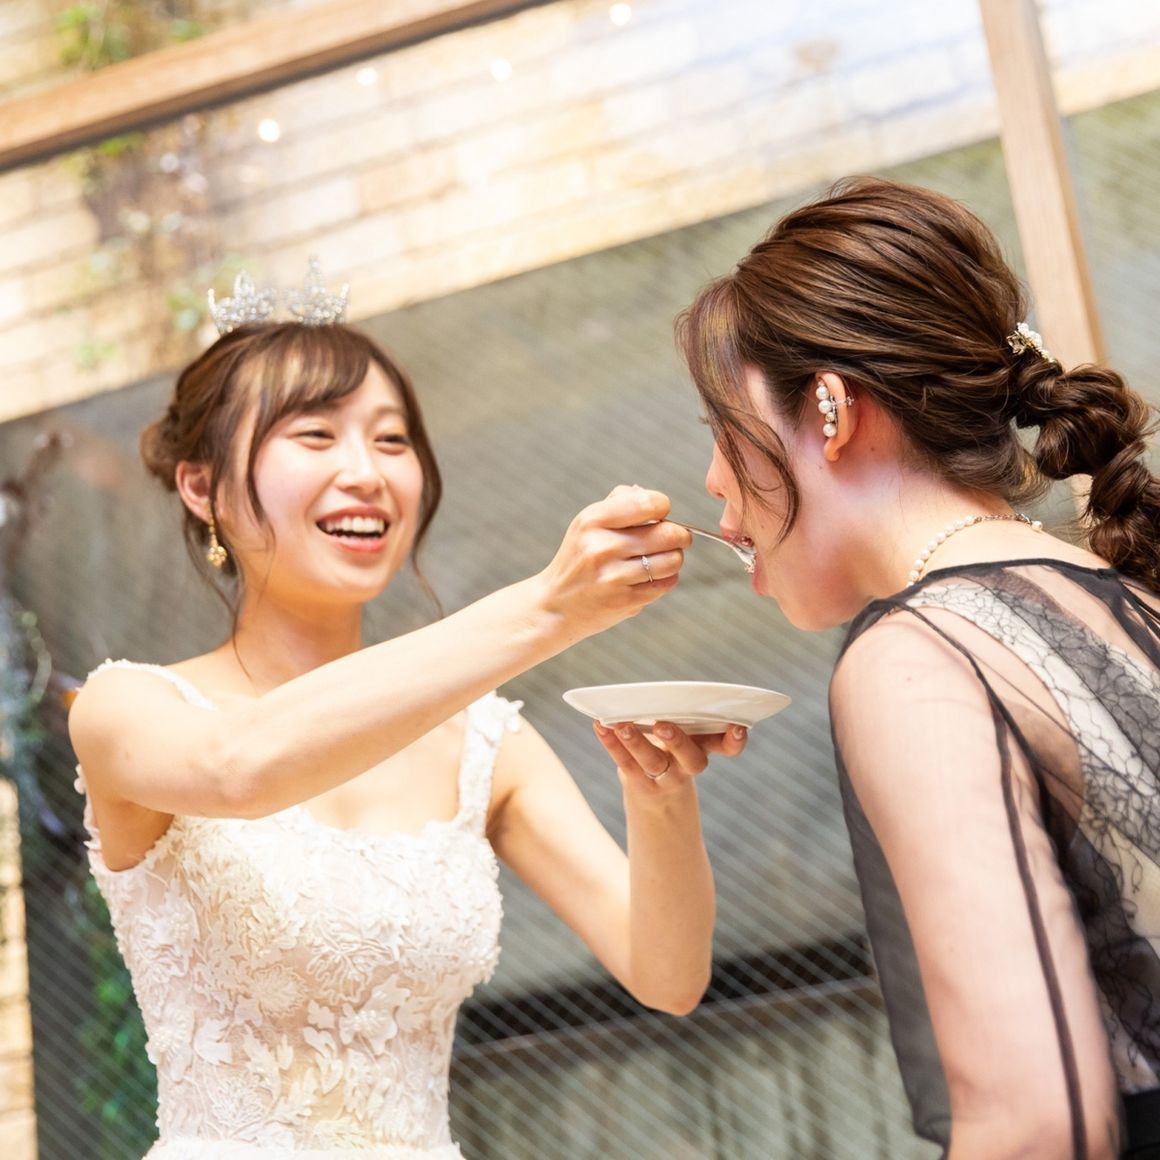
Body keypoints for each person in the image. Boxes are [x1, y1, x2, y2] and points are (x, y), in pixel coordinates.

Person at [68, 275, 747, 1157]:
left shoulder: (486, 743)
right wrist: (549, 608)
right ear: (202, 487)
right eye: (315, 435)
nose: (368, 473)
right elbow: (241, 769)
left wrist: (659, 796)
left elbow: (668, 974)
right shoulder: (130, 708)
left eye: (392, 440)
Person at [663, 175, 1160, 1159]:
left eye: (720, 431)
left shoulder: (920, 656)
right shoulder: (1131, 595)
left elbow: (1032, 1122)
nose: (714, 486)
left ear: (831, 409)